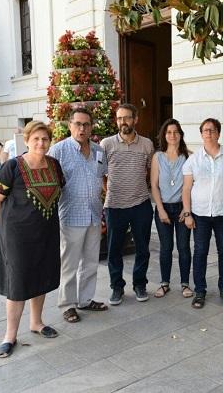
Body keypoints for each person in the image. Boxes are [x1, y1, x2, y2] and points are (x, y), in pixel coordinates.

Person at [0, 121, 65, 358]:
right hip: (17, 236)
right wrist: (9, 228)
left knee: (40, 276)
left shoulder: (54, 165)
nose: (41, 143)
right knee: (18, 282)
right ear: (27, 140)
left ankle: (37, 323)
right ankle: (10, 335)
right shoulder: (12, 166)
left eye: (45, 139)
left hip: (46, 232)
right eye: (36, 139)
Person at [48, 108, 108, 323]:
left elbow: (103, 178)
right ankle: (68, 304)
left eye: (86, 124)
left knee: (91, 262)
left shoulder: (99, 151)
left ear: (91, 127)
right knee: (70, 264)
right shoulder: (58, 151)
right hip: (71, 217)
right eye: (78, 124)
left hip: (93, 215)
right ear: (70, 125)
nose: (82, 128)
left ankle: (85, 300)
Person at [182, 118, 223, 309]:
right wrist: (187, 213)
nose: (208, 133)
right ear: (201, 134)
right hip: (200, 214)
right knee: (200, 251)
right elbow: (186, 188)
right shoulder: (193, 160)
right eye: (205, 130)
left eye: (212, 130)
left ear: (218, 133)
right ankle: (200, 291)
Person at [100, 103, 154, 305]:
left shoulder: (147, 144)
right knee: (114, 250)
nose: (123, 122)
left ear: (135, 119)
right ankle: (117, 287)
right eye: (119, 118)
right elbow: (101, 174)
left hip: (141, 204)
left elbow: (150, 171)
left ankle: (140, 284)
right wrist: (110, 192)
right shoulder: (107, 144)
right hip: (114, 206)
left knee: (142, 248)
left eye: (127, 118)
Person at [150, 118, 194, 299]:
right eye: (168, 132)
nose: (172, 135)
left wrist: (187, 209)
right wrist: (160, 209)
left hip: (183, 208)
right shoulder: (157, 157)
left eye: (175, 132)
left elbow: (192, 185)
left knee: (184, 247)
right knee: (166, 247)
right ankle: (164, 283)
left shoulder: (189, 156)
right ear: (164, 135)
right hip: (164, 207)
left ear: (181, 134)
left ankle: (185, 284)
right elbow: (153, 185)